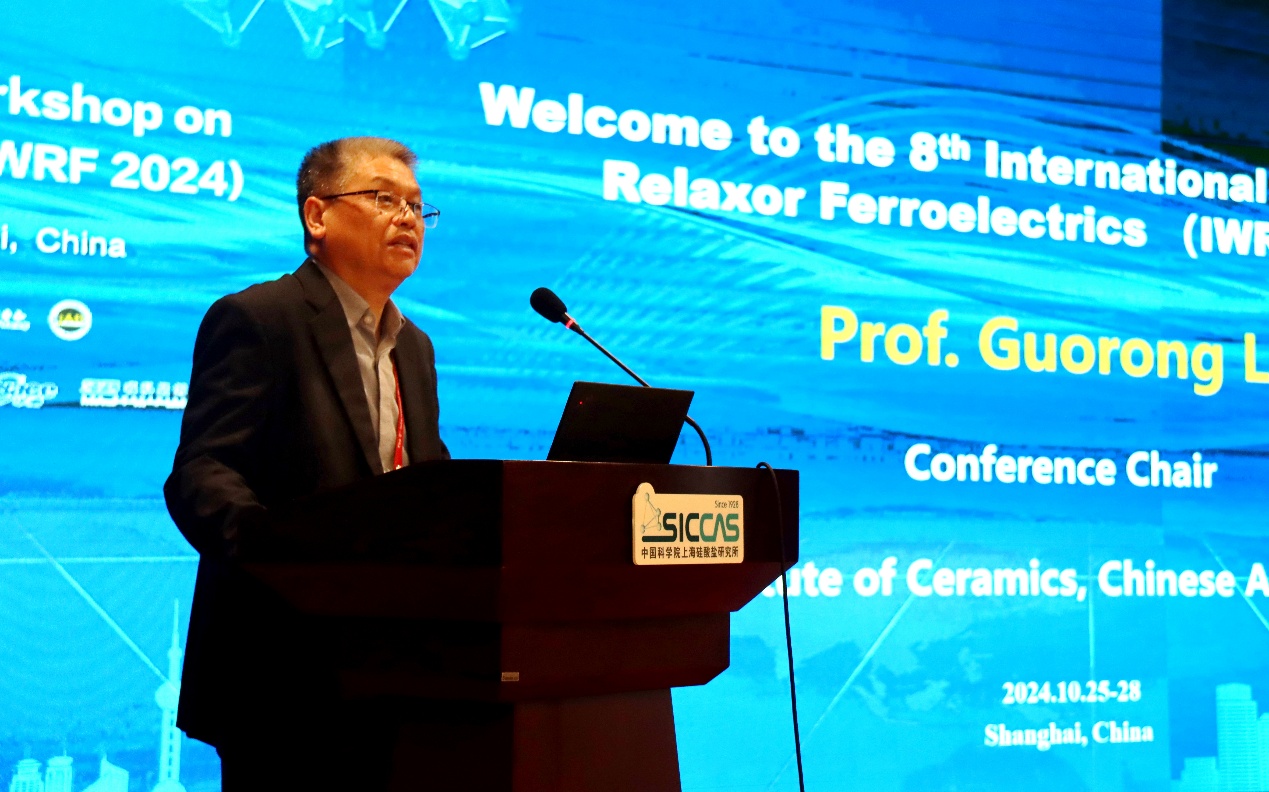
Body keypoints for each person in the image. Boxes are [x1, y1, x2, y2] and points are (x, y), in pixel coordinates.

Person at [163, 136, 449, 790]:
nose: (407, 218)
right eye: (384, 199)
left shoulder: (416, 348)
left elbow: (423, 481)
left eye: (416, 206)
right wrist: (293, 564)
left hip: (396, 669)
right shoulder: (259, 319)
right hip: (282, 672)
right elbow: (203, 474)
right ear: (317, 215)